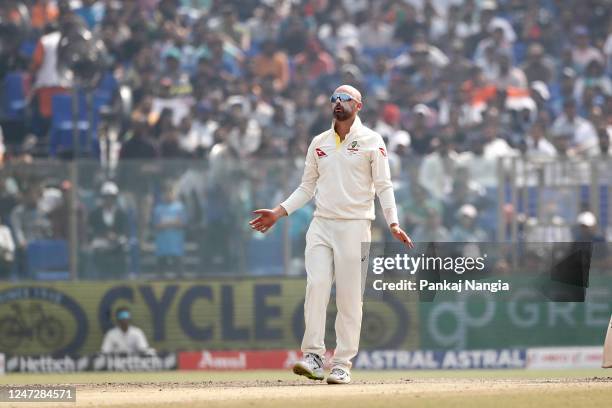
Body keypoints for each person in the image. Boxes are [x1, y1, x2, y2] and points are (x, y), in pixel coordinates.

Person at [249, 85, 413, 384]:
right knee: (318, 284)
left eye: (345, 99)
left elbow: (384, 185)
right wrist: (278, 211)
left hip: (356, 225)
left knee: (350, 298)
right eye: (334, 99)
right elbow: (306, 187)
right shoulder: (319, 142)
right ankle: (312, 357)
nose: (338, 103)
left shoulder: (371, 141)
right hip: (321, 224)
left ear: (358, 105)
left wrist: (393, 223)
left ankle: (342, 364)